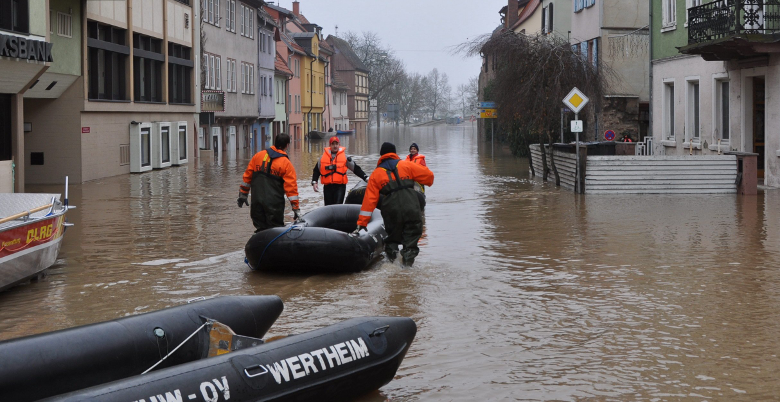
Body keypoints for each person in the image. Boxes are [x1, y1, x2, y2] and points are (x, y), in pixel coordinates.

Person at [353, 142, 434, 267]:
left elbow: (369, 201)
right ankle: (407, 267)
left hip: (391, 210)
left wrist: (362, 223)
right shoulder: (407, 164)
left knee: (391, 239)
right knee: (411, 238)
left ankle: (392, 265)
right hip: (411, 206)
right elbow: (429, 178)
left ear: (381, 155)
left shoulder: (376, 175)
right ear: (394, 153)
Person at [237, 133, 300, 232]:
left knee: (260, 229)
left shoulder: (258, 156)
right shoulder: (285, 163)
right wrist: (295, 208)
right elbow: (291, 188)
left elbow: (247, 177)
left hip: (256, 201)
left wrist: (243, 194)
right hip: (274, 205)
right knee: (275, 231)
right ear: (287, 145)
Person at [312, 137, 368, 205]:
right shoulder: (322, 158)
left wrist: (365, 177)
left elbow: (356, 169)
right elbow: (316, 171)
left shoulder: (345, 157)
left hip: (340, 187)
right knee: (328, 206)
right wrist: (314, 182)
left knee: (338, 205)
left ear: (339, 144)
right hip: (328, 187)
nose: (335, 146)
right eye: (333, 144)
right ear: (330, 145)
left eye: (336, 144)